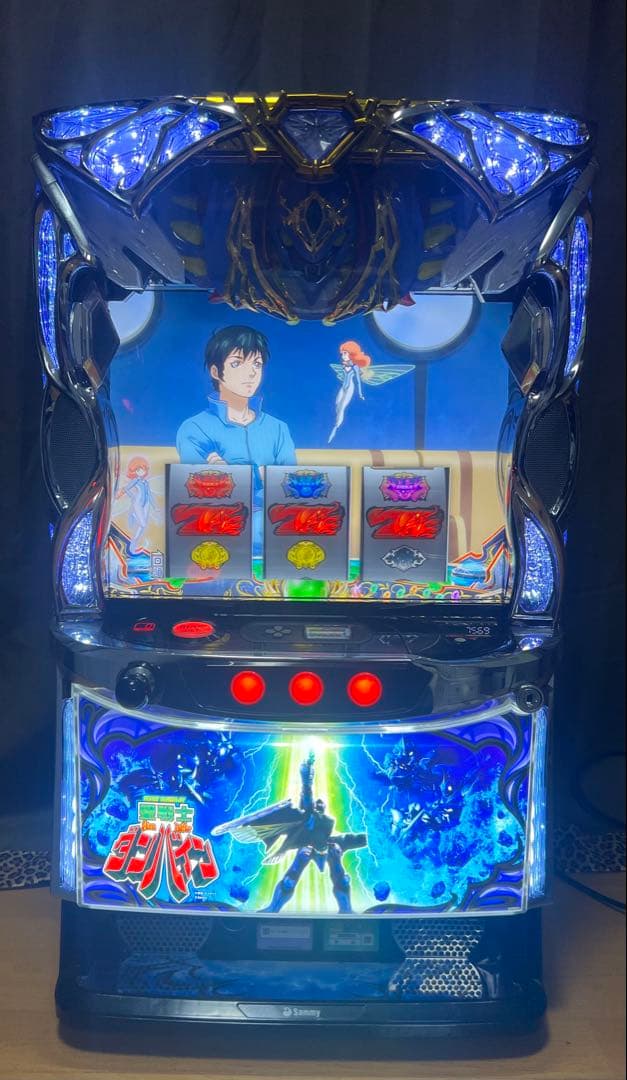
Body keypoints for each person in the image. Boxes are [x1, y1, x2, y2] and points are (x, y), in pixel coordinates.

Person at [176, 326, 296, 491]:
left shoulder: (278, 428)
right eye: (237, 363)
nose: (251, 372)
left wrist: (233, 476)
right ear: (215, 372)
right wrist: (264, 477)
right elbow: (199, 493)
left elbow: (290, 492)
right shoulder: (194, 429)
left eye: (257, 364)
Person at [328, 340, 371, 443]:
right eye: (342, 353)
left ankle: (335, 428)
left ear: (351, 354)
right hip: (343, 387)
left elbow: (358, 381)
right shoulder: (344, 364)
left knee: (342, 407)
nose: (343, 355)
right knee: (337, 403)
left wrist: (360, 394)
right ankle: (336, 422)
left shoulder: (355, 367)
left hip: (350, 388)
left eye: (345, 353)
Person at [115, 456, 158, 554]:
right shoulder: (135, 481)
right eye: (138, 470)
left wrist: (155, 506)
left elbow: (149, 494)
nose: (141, 471)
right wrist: (132, 497)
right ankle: (133, 542)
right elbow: (126, 488)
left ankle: (134, 542)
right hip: (137, 503)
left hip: (146, 504)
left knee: (143, 525)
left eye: (142, 469)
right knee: (142, 524)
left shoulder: (146, 482)